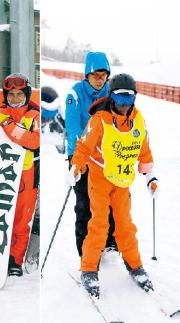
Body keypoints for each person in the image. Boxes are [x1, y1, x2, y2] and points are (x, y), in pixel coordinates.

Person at [68, 73, 157, 298]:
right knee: (98, 223)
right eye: (119, 98)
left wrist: (150, 178)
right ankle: (89, 269)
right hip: (99, 178)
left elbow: (143, 150)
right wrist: (75, 167)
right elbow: (83, 147)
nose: (124, 105)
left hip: (122, 182)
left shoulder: (138, 121)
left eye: (129, 99)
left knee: (125, 224)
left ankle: (134, 264)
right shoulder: (100, 120)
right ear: (111, 97)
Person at [65, 51, 117, 256]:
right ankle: (84, 246)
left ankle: (110, 242)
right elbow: (72, 126)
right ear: (87, 74)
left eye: (103, 76)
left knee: (110, 200)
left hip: (105, 158)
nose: (99, 80)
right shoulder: (75, 93)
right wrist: (78, 155)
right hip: (82, 155)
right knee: (85, 202)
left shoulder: (111, 93)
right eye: (96, 75)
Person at [0, 73, 40, 276]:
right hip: (0, 171)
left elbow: (35, 141)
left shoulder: (34, 115)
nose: (15, 98)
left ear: (26, 94)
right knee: (1, 215)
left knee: (21, 220)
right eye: (11, 94)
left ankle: (15, 259)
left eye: (19, 94)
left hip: (26, 173)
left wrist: (9, 126)